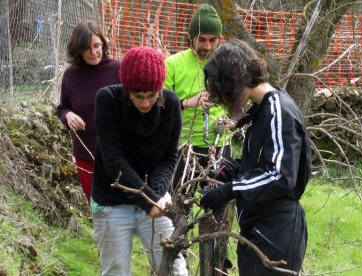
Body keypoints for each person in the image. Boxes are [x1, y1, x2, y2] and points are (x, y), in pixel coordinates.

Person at [200, 38, 312, 275]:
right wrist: (229, 170)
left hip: (277, 233)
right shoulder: (260, 109)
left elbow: (280, 176)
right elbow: (262, 161)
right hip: (259, 228)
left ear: (234, 80)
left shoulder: (279, 111)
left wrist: (230, 190)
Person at [91, 46, 188, 276]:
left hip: (154, 194)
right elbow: (114, 160)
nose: (145, 103)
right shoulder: (107, 100)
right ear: (127, 89)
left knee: (175, 268)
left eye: (152, 96)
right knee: (116, 271)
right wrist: (149, 200)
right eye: (138, 96)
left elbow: (169, 157)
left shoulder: (171, 103)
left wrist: (154, 197)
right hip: (112, 200)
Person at [164, 4, 232, 191]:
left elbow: (246, 103)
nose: (207, 46)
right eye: (201, 40)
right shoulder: (173, 64)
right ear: (191, 37)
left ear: (220, 39)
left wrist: (234, 121)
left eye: (212, 40)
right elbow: (157, 103)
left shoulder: (228, 64)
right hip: (183, 146)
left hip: (220, 146)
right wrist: (186, 103)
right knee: (177, 202)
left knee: (218, 205)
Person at [56, 20, 121, 204]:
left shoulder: (119, 70)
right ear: (77, 50)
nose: (93, 53)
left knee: (121, 210)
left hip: (118, 155)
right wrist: (68, 115)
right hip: (86, 156)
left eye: (97, 46)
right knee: (98, 209)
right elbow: (62, 107)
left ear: (103, 43)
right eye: (87, 48)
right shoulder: (71, 75)